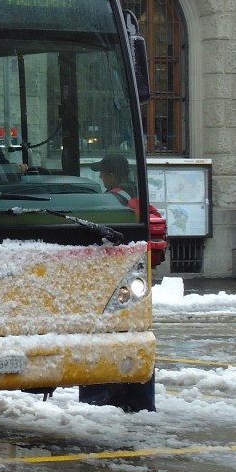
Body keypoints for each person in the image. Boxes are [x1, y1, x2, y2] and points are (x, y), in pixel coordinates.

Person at [80, 152, 158, 412]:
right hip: (131, 275)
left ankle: (99, 398)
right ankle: (140, 402)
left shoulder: (110, 200)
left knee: (99, 335)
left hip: (107, 274)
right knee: (132, 334)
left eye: (103, 172)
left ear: (112, 174)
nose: (100, 176)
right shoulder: (137, 197)